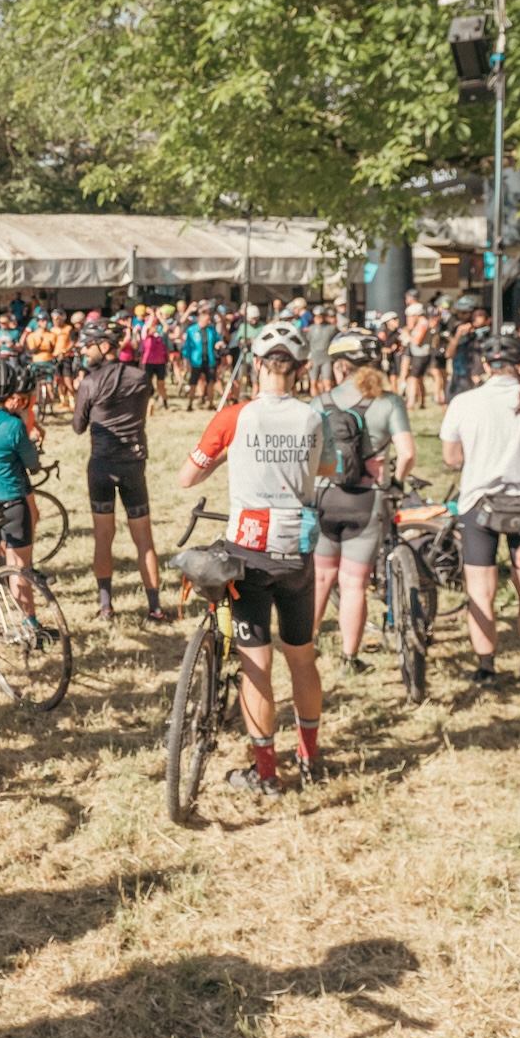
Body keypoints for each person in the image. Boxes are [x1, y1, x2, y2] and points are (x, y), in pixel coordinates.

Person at [178, 321, 332, 796]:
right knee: (302, 658)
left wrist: (231, 457)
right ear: (301, 370)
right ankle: (310, 758)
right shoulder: (313, 417)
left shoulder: (233, 417)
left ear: (258, 366)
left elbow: (187, 478)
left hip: (249, 552)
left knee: (256, 666)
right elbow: (326, 469)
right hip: (297, 550)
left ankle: (266, 772)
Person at [439, 334, 520, 685]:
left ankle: (486, 666)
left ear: (486, 365)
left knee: (480, 589)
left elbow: (452, 458)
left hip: (478, 502)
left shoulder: (464, 402)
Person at [309, 330, 416, 676]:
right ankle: (348, 660)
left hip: (325, 497)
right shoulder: (389, 403)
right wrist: (396, 481)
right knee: (353, 583)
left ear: (340, 366)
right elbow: (409, 453)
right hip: (367, 500)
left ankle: (304, 647)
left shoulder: (319, 402)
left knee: (321, 577)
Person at [72, 321, 166, 622]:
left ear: (104, 346)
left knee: (103, 537)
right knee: (144, 539)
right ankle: (155, 608)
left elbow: (77, 426)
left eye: (88, 345)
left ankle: (106, 606)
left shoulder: (89, 382)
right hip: (133, 463)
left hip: (101, 464)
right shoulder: (140, 378)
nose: (84, 351)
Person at [0, 356, 46, 623]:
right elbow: (32, 463)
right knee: (19, 567)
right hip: (12, 499)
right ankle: (30, 622)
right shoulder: (14, 425)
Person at [181, 310, 221, 410]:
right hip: (196, 361)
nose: (208, 322)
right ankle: (190, 404)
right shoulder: (191, 330)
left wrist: (219, 344)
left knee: (211, 382)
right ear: (200, 319)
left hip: (209, 360)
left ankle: (211, 403)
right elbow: (187, 347)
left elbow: (217, 340)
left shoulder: (211, 330)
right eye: (206, 320)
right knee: (193, 382)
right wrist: (187, 361)